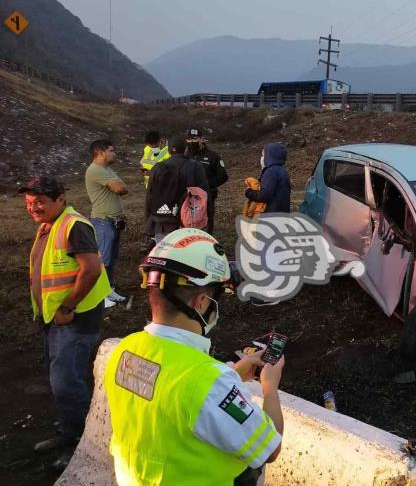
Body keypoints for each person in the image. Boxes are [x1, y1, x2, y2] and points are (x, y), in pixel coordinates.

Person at [105, 229, 284, 485]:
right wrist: (270, 389)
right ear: (201, 303)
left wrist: (233, 372)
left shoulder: (125, 350)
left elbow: (168, 396)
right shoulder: (210, 383)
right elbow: (270, 449)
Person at [19, 176, 111, 469]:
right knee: (62, 379)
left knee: (67, 382)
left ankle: (83, 444)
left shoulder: (74, 225)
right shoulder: (49, 225)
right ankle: (70, 431)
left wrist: (68, 306)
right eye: (29, 203)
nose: (34, 208)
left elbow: (93, 269)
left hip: (73, 317)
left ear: (60, 199)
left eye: (40, 202)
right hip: (55, 318)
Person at [85, 139, 128, 308]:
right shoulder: (96, 170)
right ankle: (99, 294)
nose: (114, 153)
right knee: (103, 260)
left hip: (113, 222)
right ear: (101, 152)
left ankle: (108, 289)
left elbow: (122, 186)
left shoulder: (107, 169)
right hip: (103, 221)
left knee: (111, 258)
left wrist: (120, 185)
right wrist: (119, 186)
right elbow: (121, 189)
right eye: (111, 150)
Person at [145, 137, 208, 242]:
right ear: (186, 149)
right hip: (187, 221)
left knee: (164, 255)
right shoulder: (195, 166)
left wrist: (148, 221)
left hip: (161, 221)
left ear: (168, 151)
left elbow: (149, 196)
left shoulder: (157, 167)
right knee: (185, 255)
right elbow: (205, 195)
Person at [186, 126, 229, 233]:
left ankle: (207, 242)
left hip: (207, 196)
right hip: (186, 196)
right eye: (190, 139)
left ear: (202, 139)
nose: (192, 141)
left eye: (195, 139)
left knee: (206, 221)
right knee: (187, 221)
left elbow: (223, 176)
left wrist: (206, 185)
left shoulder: (212, 156)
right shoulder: (184, 155)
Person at [244, 143, 291, 213]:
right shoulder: (282, 170)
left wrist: (249, 192)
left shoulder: (270, 172)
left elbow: (265, 195)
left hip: (271, 214)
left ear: (270, 157)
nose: (262, 158)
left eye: (263, 155)